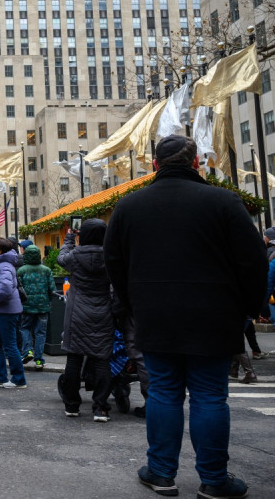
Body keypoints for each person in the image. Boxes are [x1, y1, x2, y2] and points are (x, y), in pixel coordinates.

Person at [104, 135, 266, 499]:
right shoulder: (224, 202)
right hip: (215, 314)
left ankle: (161, 472)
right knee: (210, 395)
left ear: (155, 166)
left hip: (155, 314)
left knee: (163, 391)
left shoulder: (130, 206)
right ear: (196, 164)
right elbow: (253, 260)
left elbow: (113, 263)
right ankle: (214, 479)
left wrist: (134, 305)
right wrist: (249, 307)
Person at [57, 220, 114, 422]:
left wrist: (70, 237)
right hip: (103, 312)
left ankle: (72, 404)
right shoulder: (111, 256)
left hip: (77, 313)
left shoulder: (74, 256)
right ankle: (101, 407)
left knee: (74, 358)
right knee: (101, 359)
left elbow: (60, 257)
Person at [0, 237, 26, 389]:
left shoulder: (4, 266)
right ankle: (0, 377)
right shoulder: (0, 264)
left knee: (9, 345)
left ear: (0, 251)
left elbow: (6, 288)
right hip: (1, 309)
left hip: (7, 311)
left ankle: (19, 379)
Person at [17, 244, 56, 371]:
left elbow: (18, 289)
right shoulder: (46, 270)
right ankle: (39, 359)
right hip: (43, 306)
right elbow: (52, 289)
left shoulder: (21, 270)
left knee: (25, 328)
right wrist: (47, 300)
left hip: (26, 306)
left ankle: (27, 351)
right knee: (41, 333)